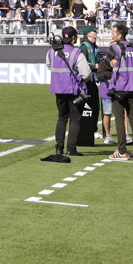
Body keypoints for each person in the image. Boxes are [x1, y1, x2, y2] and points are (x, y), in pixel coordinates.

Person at [43, 26, 90, 162]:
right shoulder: (77, 52)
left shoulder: (52, 51)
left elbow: (49, 66)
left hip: (58, 89)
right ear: (74, 38)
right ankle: (71, 148)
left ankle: (59, 148)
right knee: (75, 119)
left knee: (62, 118)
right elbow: (86, 74)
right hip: (74, 90)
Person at [106, 23, 133, 161]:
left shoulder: (114, 48)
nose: (112, 34)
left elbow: (107, 63)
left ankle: (122, 151)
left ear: (119, 35)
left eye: (113, 32)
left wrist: (112, 51)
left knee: (119, 119)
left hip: (119, 88)